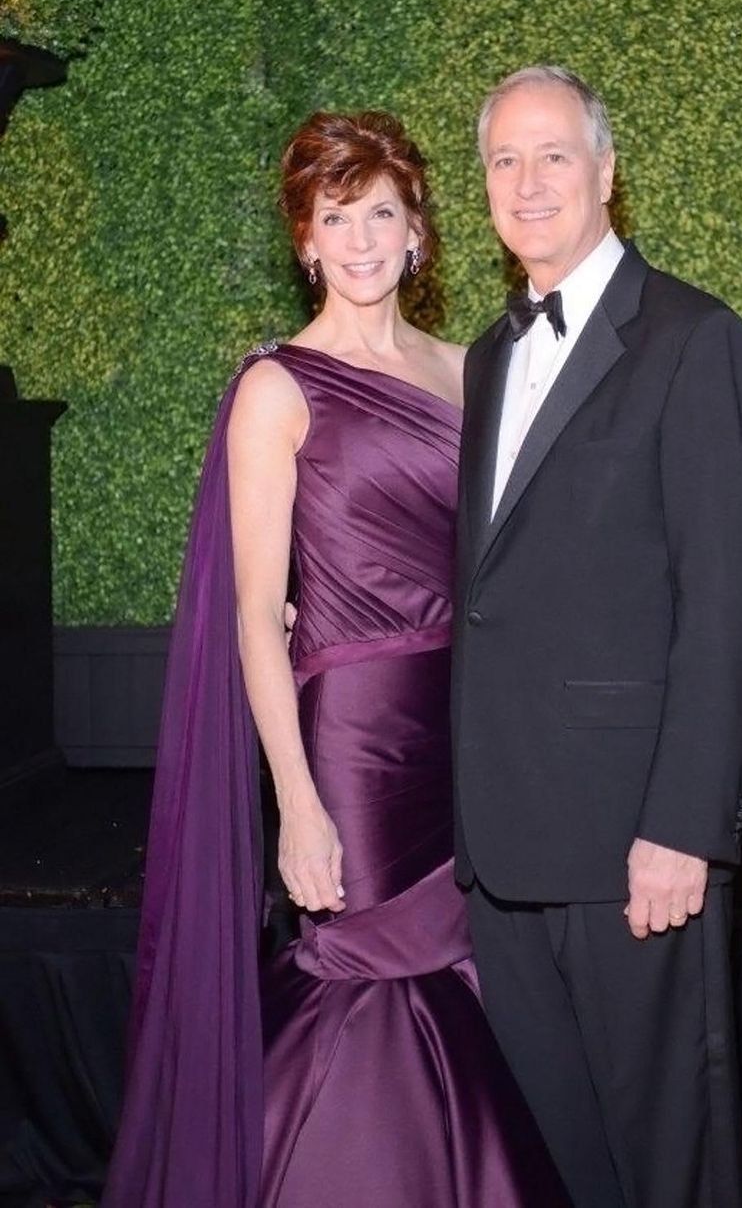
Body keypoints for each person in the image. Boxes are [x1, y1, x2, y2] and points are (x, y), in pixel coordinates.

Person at [102, 110, 567, 1208]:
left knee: (469, 970)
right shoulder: (277, 388)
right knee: (363, 967)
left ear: (418, 231)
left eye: (381, 214)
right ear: (304, 240)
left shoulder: (472, 370)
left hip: (471, 723)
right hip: (354, 736)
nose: (360, 240)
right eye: (334, 217)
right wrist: (300, 805)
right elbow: (255, 616)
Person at [452, 65, 742, 1208]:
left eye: (552, 154)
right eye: (503, 159)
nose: (527, 181)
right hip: (501, 839)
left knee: (666, 1163)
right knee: (561, 1156)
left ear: (604, 171)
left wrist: (682, 825)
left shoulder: (695, 339)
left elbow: (729, 602)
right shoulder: (488, 354)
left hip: (631, 845)